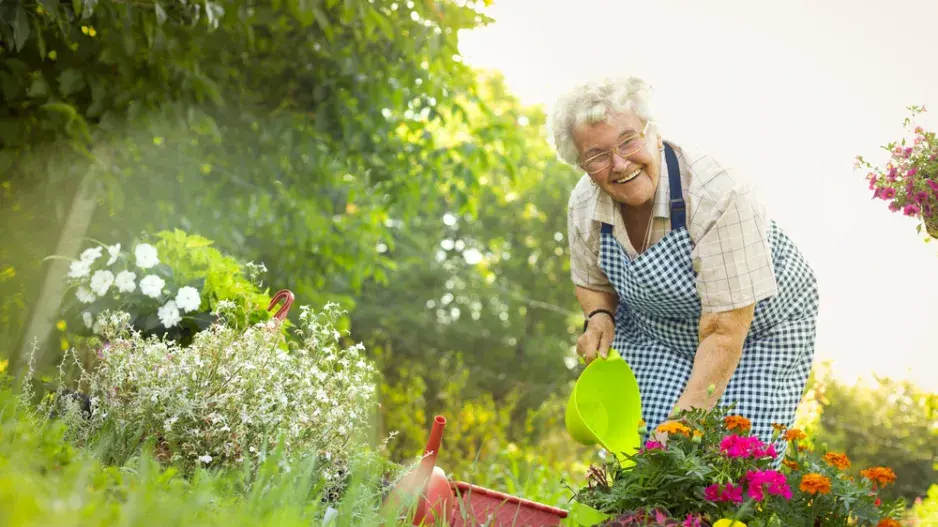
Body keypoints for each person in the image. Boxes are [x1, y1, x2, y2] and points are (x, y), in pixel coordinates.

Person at [549, 76, 819, 451]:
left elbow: (724, 330)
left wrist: (682, 422)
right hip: (658, 331)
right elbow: (592, 282)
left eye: (629, 140)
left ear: (653, 134)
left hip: (757, 331)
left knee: (731, 459)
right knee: (639, 446)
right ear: (581, 165)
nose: (619, 163)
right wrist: (600, 317)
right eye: (597, 155)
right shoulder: (584, 206)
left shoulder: (718, 193)